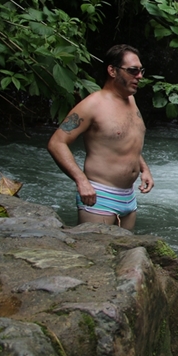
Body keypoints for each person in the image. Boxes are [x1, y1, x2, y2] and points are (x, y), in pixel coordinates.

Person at [47, 44, 153, 230]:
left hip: (129, 197)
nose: (139, 76)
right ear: (112, 70)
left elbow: (126, 142)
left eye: (140, 71)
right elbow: (57, 143)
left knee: (127, 249)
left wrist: (144, 169)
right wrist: (81, 181)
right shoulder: (92, 105)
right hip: (99, 196)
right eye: (133, 71)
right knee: (95, 249)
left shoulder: (131, 100)